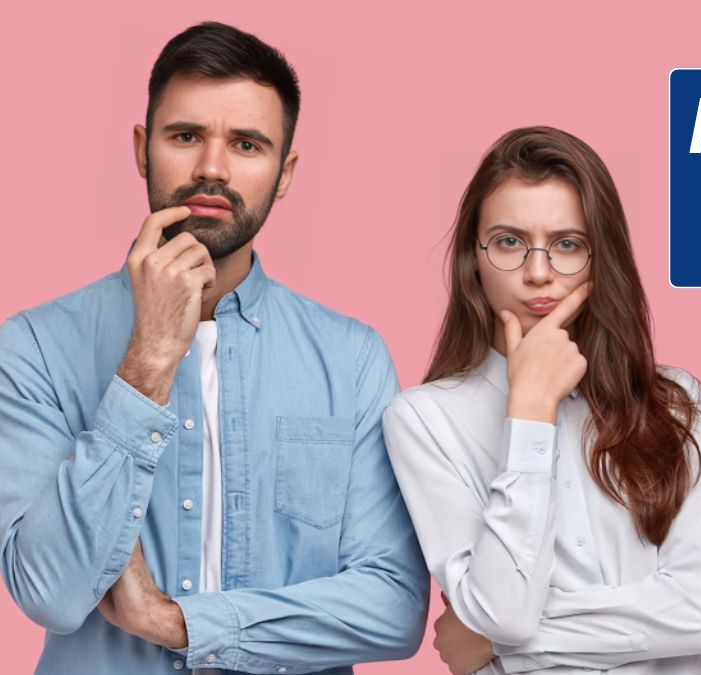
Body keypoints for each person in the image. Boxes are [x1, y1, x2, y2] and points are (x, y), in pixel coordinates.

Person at [0, 22, 428, 674]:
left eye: (247, 144)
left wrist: (181, 624)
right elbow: (50, 592)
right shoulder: (33, 347)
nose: (212, 167)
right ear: (142, 149)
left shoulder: (352, 359)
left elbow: (394, 606)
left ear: (284, 173)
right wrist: (146, 358)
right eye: (186, 135)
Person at [383, 126, 701, 674]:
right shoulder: (424, 420)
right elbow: (504, 611)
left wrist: (498, 646)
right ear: (472, 260)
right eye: (509, 242)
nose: (539, 272)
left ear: (601, 258)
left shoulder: (676, 401)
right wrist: (530, 413)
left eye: (568, 244)